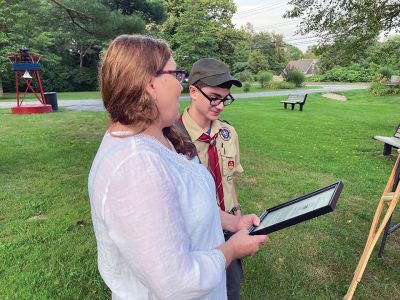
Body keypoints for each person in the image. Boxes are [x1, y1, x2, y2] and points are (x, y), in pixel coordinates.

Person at [88, 34, 268, 300]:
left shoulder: (160, 136)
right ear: (150, 84)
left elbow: (189, 204)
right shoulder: (135, 167)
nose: (180, 87)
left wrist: (234, 221)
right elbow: (175, 283)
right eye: (176, 75)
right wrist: (231, 251)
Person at [178, 58, 246, 300]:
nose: (220, 105)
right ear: (193, 91)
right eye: (214, 97)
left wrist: (236, 214)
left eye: (225, 98)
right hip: (194, 231)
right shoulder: (172, 137)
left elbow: (229, 182)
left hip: (229, 227)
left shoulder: (228, 134)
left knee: (231, 287)